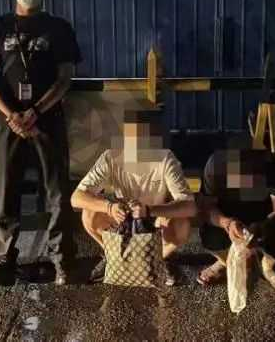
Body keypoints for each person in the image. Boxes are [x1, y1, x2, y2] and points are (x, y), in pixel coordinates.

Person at [0, 0, 82, 287]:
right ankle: (3, 258)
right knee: (6, 191)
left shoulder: (59, 28)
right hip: (7, 123)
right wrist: (11, 115)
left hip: (46, 121)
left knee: (57, 192)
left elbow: (65, 78)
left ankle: (62, 259)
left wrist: (35, 112)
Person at [71, 109, 197, 287]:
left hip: (154, 217)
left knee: (182, 224)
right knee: (89, 213)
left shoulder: (165, 159)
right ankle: (114, 257)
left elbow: (190, 207)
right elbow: (76, 198)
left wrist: (149, 210)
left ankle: (157, 260)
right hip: (124, 217)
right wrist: (110, 207)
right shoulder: (111, 157)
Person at [197, 148, 275, 292]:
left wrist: (263, 226)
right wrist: (227, 223)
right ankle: (225, 261)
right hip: (229, 216)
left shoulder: (270, 165)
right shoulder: (216, 165)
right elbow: (208, 207)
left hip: (262, 217)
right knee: (210, 236)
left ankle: (267, 265)